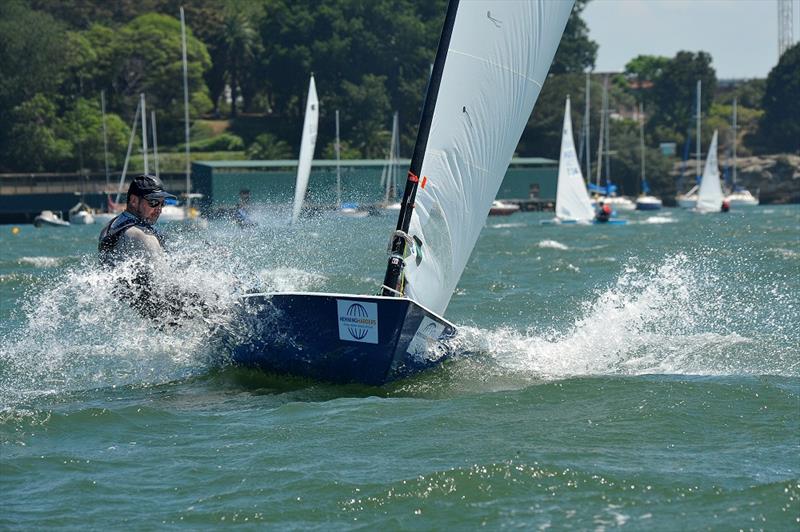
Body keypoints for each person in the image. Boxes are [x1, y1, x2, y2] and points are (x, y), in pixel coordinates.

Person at [99, 174, 200, 322]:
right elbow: (166, 283)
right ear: (133, 201)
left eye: (162, 203)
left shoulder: (110, 227)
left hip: (128, 311)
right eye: (153, 202)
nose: (159, 209)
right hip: (161, 316)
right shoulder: (143, 236)